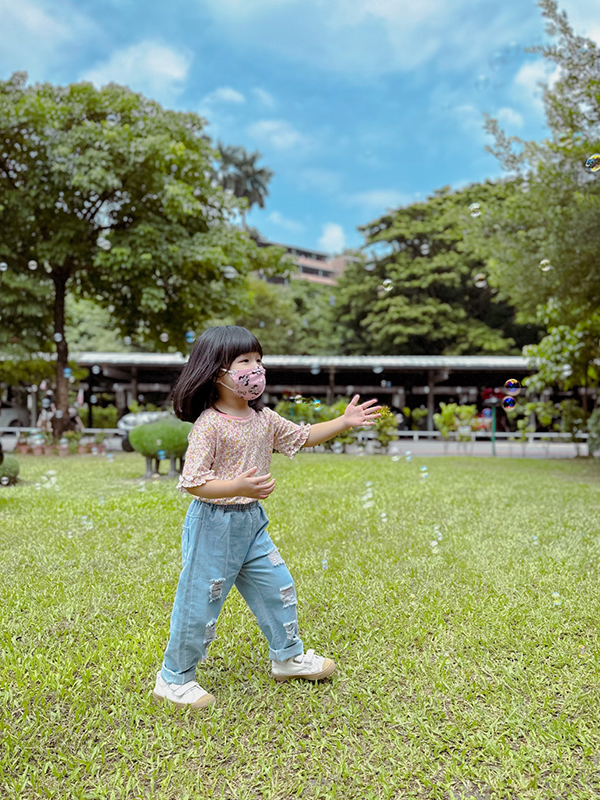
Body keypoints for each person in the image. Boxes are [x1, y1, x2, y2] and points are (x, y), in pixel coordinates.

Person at [152, 326, 382, 710]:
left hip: (251, 524)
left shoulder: (263, 418)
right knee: (199, 603)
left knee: (278, 587)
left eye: (258, 361)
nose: (255, 370)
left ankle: (287, 657)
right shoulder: (209, 424)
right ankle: (173, 679)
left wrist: (343, 422)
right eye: (244, 362)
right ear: (216, 372)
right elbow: (193, 482)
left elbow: (301, 436)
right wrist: (235, 485)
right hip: (213, 524)